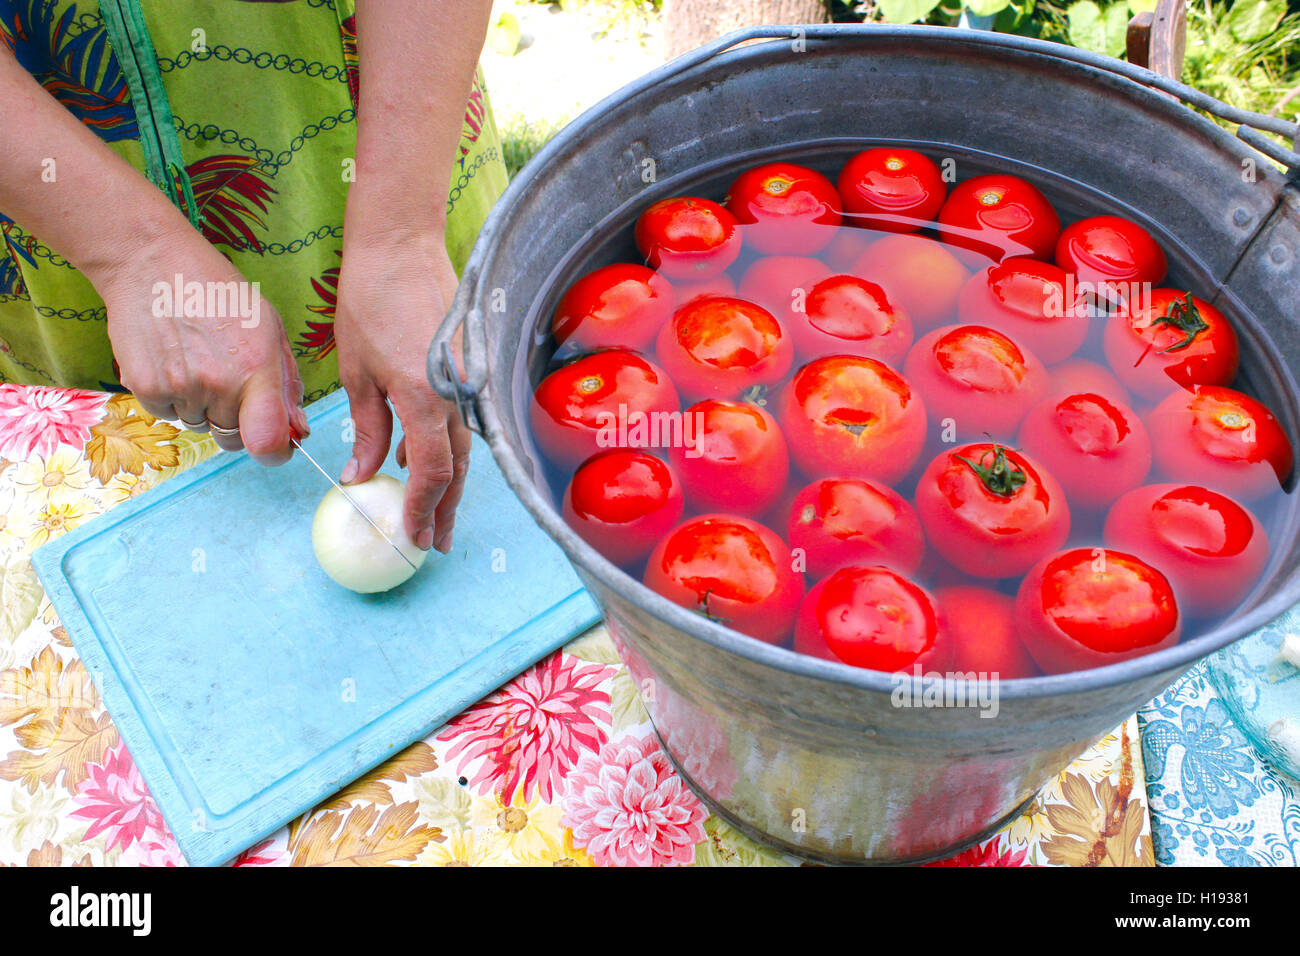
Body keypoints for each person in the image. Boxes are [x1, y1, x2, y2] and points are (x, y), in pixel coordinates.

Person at [0, 0, 508, 554]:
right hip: (43, 200)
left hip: (398, 129)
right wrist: (129, 255)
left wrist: (401, 234)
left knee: (455, 398)